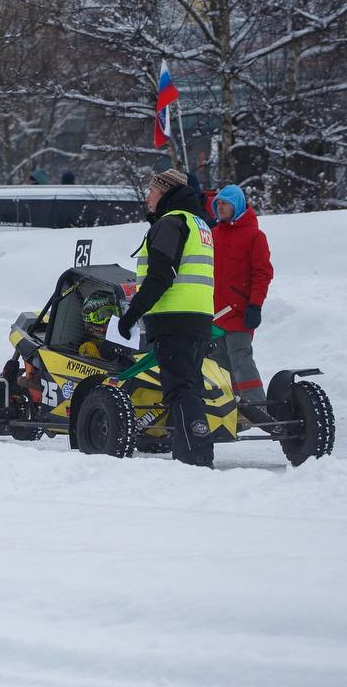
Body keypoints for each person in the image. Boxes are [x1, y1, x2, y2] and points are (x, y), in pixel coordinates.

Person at [117, 168, 216, 468]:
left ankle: (194, 456)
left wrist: (132, 314)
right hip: (198, 318)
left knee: (179, 389)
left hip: (174, 319)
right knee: (190, 386)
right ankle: (194, 451)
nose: (147, 197)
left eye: (152, 191)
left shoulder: (171, 222)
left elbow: (161, 275)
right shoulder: (200, 224)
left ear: (166, 192)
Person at [210, 184, 273, 408]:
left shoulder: (255, 236)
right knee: (217, 364)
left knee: (240, 360)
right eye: (217, 203)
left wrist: (255, 306)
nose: (220, 207)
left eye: (224, 203)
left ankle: (257, 409)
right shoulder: (214, 234)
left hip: (240, 312)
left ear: (235, 205)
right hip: (214, 313)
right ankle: (227, 411)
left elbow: (262, 274)